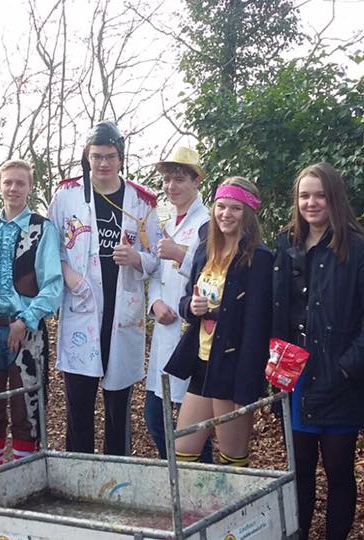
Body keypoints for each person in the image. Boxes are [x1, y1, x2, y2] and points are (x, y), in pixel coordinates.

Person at [271, 163, 364, 540]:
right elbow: (275, 311)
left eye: (320, 195)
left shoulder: (358, 249)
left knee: (339, 471)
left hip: (339, 378)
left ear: (334, 198)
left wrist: (346, 367)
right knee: (300, 470)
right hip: (295, 378)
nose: (311, 203)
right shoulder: (285, 244)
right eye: (304, 196)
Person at [48, 120, 161, 455]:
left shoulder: (142, 201)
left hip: (122, 312)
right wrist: (67, 272)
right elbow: (49, 249)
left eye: (110, 156)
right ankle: (79, 471)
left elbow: (157, 258)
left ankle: (118, 473)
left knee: (118, 407)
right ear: (87, 156)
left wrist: (137, 258)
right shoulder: (67, 196)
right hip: (81, 309)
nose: (103, 163)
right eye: (96, 156)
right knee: (78, 405)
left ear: (121, 158)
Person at [164, 176, 273, 467]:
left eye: (235, 208)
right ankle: (193, 500)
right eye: (221, 206)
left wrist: (246, 387)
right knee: (182, 451)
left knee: (232, 459)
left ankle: (236, 500)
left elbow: (257, 328)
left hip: (233, 368)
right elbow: (186, 299)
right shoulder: (205, 249)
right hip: (202, 363)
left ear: (248, 213)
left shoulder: (259, 259)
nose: (226, 214)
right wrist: (192, 307)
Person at [0, 159, 63, 467]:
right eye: (8, 182)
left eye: (20, 183)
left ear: (30, 187)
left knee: (26, 407)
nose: (13, 188)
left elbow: (53, 285)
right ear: (0, 186)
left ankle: (26, 478)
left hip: (26, 332)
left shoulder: (42, 229)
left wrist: (26, 319)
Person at [143, 146, 212, 462]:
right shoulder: (167, 222)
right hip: (165, 328)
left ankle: (200, 482)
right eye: (168, 180)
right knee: (155, 418)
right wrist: (155, 303)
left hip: (193, 331)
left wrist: (181, 255)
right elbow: (158, 274)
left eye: (180, 179)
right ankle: (175, 475)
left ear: (197, 181)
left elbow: (214, 272)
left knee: (193, 427)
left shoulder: (208, 223)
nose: (171, 186)